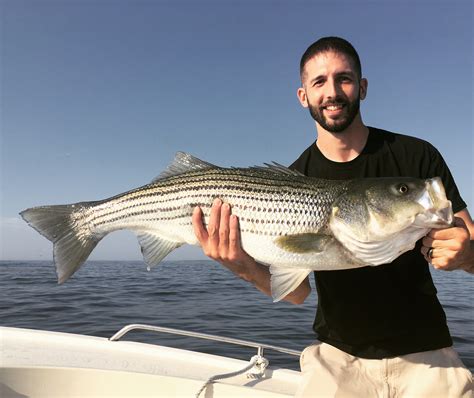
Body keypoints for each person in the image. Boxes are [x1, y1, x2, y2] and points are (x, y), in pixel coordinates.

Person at [192, 37, 473, 397]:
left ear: (363, 86)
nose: (332, 92)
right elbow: (296, 294)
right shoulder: (295, 179)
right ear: (303, 96)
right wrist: (241, 264)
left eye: (344, 78)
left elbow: (471, 244)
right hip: (337, 359)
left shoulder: (417, 158)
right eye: (319, 82)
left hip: (428, 352)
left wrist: (466, 254)